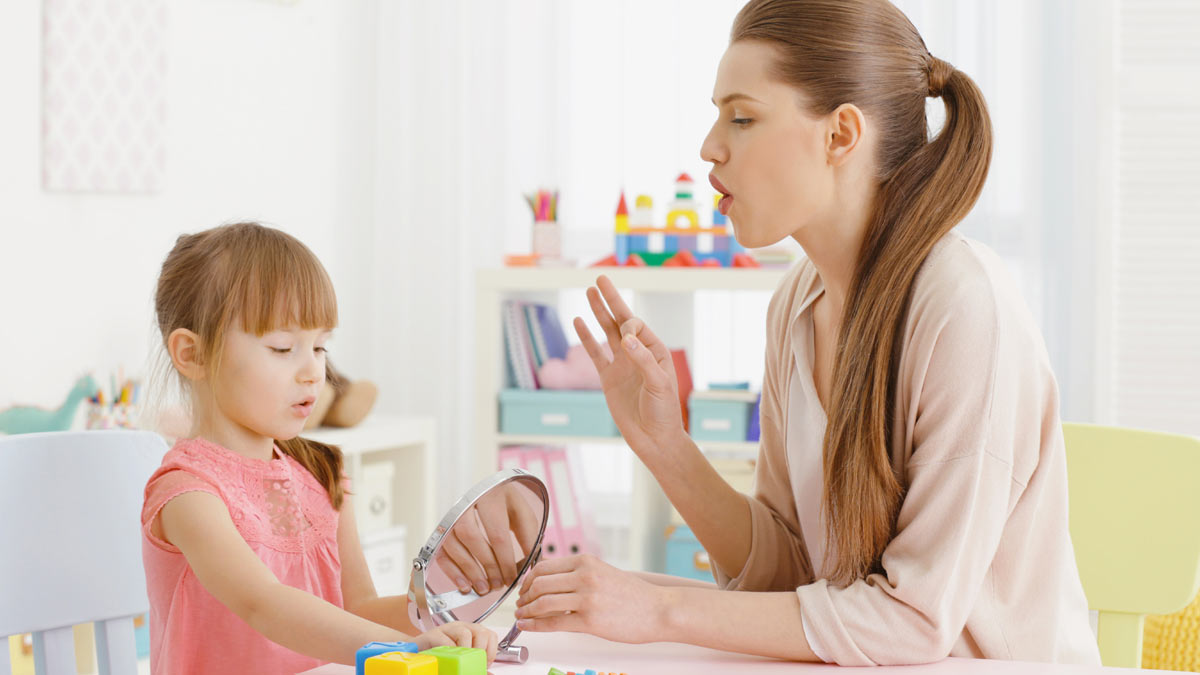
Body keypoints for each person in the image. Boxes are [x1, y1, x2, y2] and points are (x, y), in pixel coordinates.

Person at [514, 0, 1101, 666]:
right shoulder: (796, 304)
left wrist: (657, 608)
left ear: (840, 135)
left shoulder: (965, 309)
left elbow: (913, 619)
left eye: (742, 116)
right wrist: (665, 444)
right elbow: (791, 572)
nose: (710, 146)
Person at [141, 222, 497, 674]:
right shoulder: (188, 494)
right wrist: (409, 648)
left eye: (321, 346)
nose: (313, 370)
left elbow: (358, 610)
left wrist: (446, 619)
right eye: (283, 347)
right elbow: (262, 603)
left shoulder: (322, 474)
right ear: (193, 354)